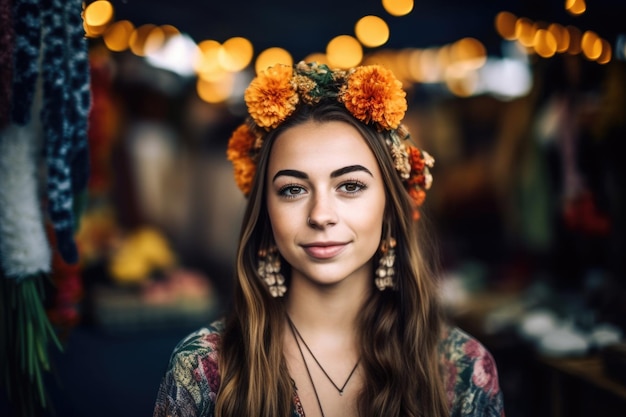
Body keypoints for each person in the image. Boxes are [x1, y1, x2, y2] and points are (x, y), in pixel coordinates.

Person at [153, 61, 505, 417]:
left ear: (389, 206)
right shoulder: (203, 370)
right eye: (292, 189)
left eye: (350, 186)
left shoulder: (461, 371)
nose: (321, 215)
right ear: (265, 211)